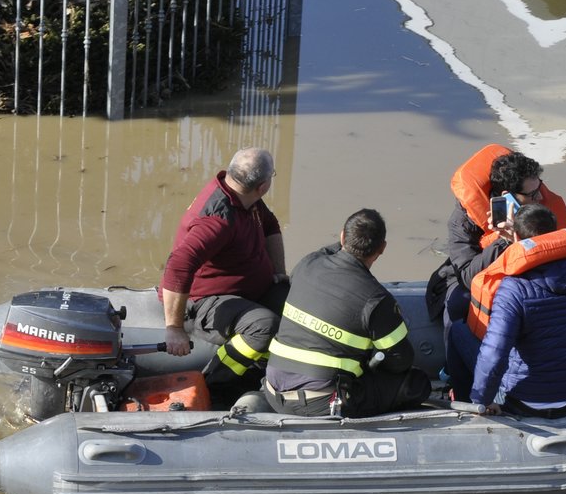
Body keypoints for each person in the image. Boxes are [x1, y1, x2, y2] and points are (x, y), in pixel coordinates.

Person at [263, 208, 432, 417]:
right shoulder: (376, 300)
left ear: (342, 236)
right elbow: (401, 360)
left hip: (273, 392)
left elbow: (328, 251)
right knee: (417, 384)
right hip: (322, 403)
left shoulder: (308, 264)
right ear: (382, 248)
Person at [448, 204, 566, 418]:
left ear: (516, 237)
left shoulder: (514, 288)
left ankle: (466, 405)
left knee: (458, 331)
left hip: (524, 401)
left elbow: (494, 354)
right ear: (554, 232)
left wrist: (482, 401)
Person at [161, 148, 289, 390]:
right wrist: (175, 329)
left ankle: (275, 364)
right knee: (265, 326)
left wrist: (279, 272)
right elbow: (178, 266)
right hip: (203, 302)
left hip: (246, 289)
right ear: (262, 186)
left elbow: (270, 226)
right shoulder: (217, 221)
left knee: (297, 304)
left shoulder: (246, 198)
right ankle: (214, 382)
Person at [428, 144, 566, 324]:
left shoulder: (541, 200)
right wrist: (505, 239)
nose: (540, 198)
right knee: (457, 305)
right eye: (533, 194)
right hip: (482, 275)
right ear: (507, 196)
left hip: (532, 272)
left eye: (540, 187)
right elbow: (466, 275)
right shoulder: (463, 221)